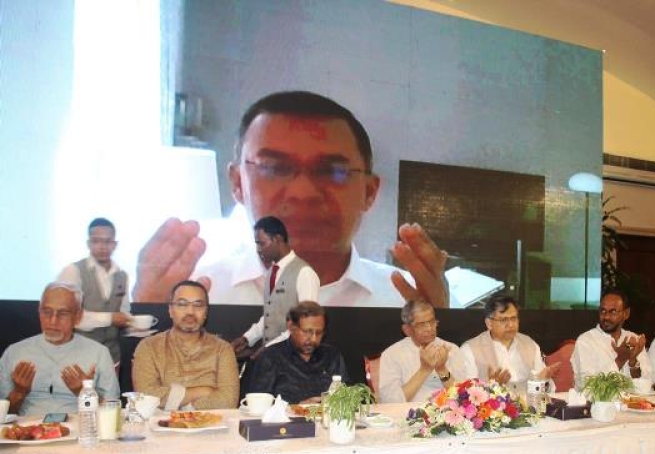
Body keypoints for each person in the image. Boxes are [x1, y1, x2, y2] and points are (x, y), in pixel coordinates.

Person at [133, 90, 448, 308]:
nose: (303, 192)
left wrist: (447, 334)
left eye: (332, 171)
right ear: (237, 183)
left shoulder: (409, 301)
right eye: (274, 168)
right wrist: (145, 325)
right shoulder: (195, 297)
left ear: (369, 191)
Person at [0, 282, 119, 415]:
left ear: (78, 317)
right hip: (26, 431)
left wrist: (84, 392)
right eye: (47, 312)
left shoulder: (98, 353)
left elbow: (112, 412)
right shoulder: (14, 352)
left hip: (81, 429)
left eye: (62, 314)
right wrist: (19, 392)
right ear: (39, 312)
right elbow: (4, 415)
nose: (53, 321)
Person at [132, 280, 239, 410]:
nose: (190, 312)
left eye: (198, 305)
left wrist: (184, 409)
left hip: (211, 426)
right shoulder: (148, 347)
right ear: (170, 310)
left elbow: (228, 400)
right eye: (182, 304)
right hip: (160, 427)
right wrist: (203, 391)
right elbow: (146, 396)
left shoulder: (222, 349)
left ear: (206, 312)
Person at [230, 216, 319, 353]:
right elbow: (270, 316)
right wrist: (246, 339)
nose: (258, 249)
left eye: (261, 243)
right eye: (257, 244)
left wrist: (270, 347)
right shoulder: (272, 272)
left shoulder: (304, 273)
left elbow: (306, 322)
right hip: (272, 357)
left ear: (277, 239)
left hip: (294, 359)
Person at [57, 217, 131, 363]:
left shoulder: (122, 275)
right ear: (88, 243)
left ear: (115, 244)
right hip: (77, 354)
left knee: (110, 387)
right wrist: (110, 318)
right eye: (96, 241)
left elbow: (124, 312)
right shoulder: (73, 271)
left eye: (108, 241)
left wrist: (134, 324)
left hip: (111, 355)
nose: (102, 246)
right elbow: (67, 316)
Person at [245, 301, 349, 404]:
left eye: (319, 333)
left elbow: (348, 399)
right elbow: (257, 406)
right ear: (291, 327)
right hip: (285, 420)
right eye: (307, 332)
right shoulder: (271, 357)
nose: (313, 339)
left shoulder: (332, 356)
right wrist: (297, 409)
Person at [379, 300, 475, 403]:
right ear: (407, 330)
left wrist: (442, 369)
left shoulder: (450, 349)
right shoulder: (391, 355)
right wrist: (424, 370)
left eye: (432, 322)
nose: (429, 328)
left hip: (446, 414)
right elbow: (391, 401)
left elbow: (462, 396)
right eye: (421, 325)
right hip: (407, 415)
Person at [461, 294, 560, 385]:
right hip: (492, 403)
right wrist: (491, 387)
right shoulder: (470, 349)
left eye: (513, 318)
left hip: (527, 402)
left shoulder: (529, 344)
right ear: (489, 323)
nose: (511, 324)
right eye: (504, 320)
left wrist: (544, 380)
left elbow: (543, 383)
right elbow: (465, 392)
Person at [571, 288, 652, 382]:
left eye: (613, 312)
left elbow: (646, 384)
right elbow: (588, 386)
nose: (606, 317)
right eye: (603, 311)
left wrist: (633, 362)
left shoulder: (633, 339)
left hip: (630, 397)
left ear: (626, 313)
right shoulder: (586, 341)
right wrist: (620, 360)